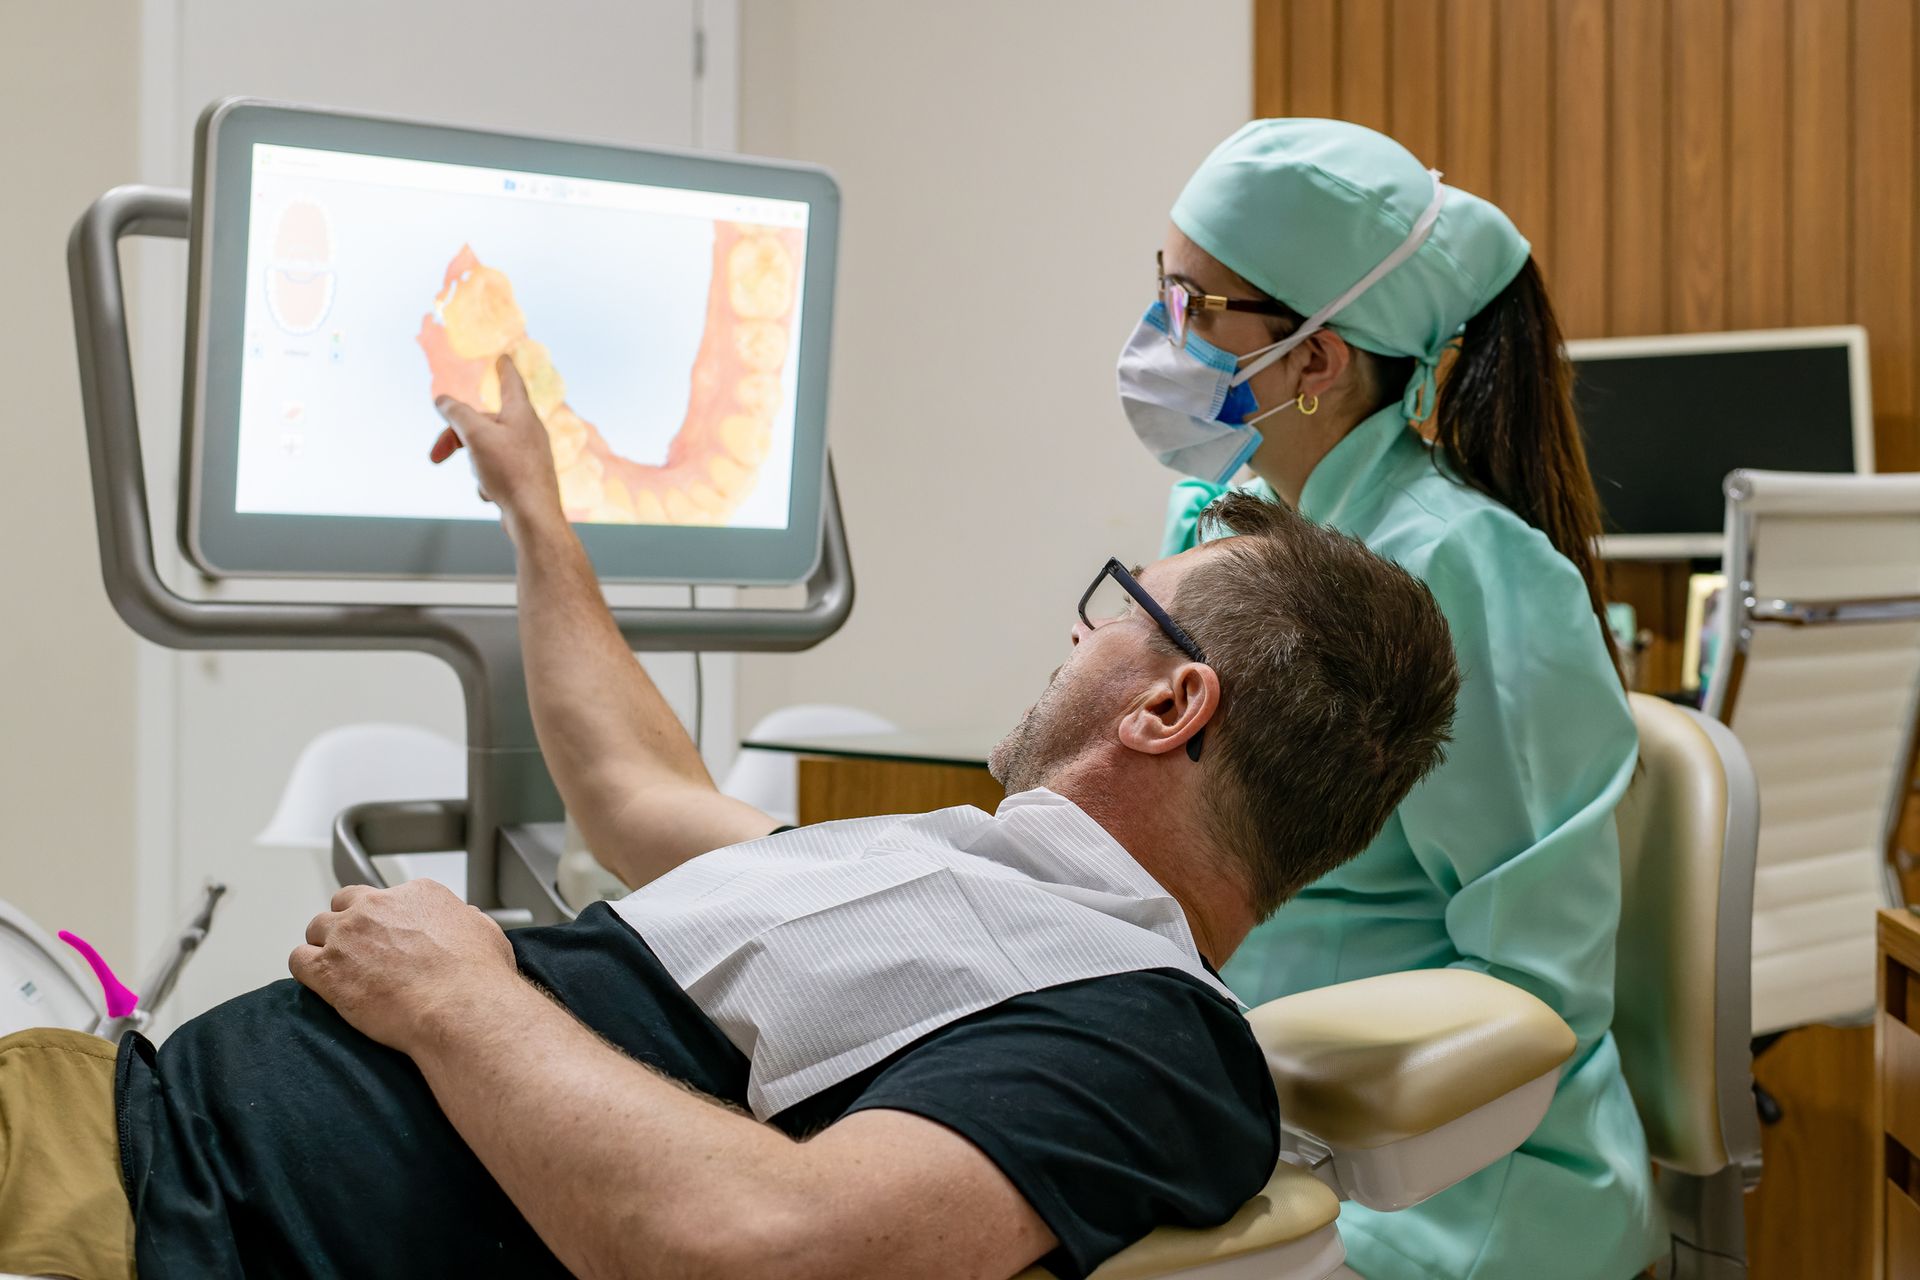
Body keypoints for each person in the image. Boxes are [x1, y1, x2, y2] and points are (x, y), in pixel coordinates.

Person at [0, 357, 1459, 1280]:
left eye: (1112, 615)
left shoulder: (1143, 1034)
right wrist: (537, 504)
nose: (1067, 635)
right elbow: (634, 790)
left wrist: (455, 996)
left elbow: (772, 1249)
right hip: (105, 1104)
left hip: (158, 1226)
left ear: (1168, 708)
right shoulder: (975, 876)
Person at [1119, 117, 1659, 1279]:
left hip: (1438, 1173)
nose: (1165, 336)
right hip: (1251, 1108)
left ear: (1316, 359)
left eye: (1199, 311)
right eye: (1165, 292)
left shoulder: (1469, 568)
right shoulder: (1218, 525)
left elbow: (1533, 982)